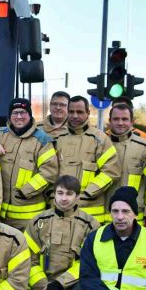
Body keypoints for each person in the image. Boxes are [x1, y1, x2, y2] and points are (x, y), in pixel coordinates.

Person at [22, 175, 100, 290]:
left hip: (73, 286)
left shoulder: (91, 225)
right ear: (54, 194)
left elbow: (89, 263)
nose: (64, 198)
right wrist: (43, 286)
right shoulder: (38, 222)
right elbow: (28, 259)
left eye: (70, 194)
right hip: (44, 289)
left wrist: (60, 284)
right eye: (60, 192)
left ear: (78, 196)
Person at [0, 97, 59, 229]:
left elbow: (49, 172)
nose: (19, 117)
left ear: (30, 115)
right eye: (15, 113)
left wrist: (26, 191)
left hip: (28, 217)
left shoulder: (42, 141)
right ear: (10, 116)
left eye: (23, 113)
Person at [54, 96, 121, 224]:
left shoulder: (100, 139)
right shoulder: (59, 138)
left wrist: (88, 193)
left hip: (90, 210)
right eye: (71, 111)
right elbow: (51, 171)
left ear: (88, 113)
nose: (74, 115)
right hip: (61, 209)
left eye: (79, 112)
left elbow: (112, 171)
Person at [105, 102, 146, 224]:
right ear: (110, 121)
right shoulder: (99, 144)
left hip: (135, 212)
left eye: (125, 119)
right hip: (106, 211)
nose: (120, 123)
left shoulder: (145, 147)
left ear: (132, 122)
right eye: (116, 119)